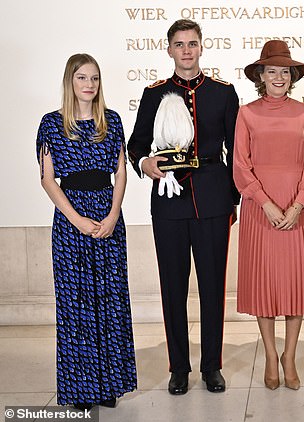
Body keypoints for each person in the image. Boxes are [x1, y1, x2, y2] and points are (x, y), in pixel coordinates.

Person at [127, 19, 240, 395]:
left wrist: (233, 200)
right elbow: (136, 144)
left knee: (212, 286)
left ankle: (211, 366)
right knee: (173, 287)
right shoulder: (153, 93)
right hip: (169, 202)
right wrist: (145, 164)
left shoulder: (223, 93)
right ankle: (179, 367)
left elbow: (237, 151)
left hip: (211, 199)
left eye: (192, 43)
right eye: (179, 44)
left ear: (202, 47)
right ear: (169, 49)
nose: (186, 50)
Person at [37, 53, 137, 409]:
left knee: (110, 301)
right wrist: (77, 219)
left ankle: (109, 385)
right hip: (70, 221)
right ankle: (81, 389)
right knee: (76, 304)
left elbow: (121, 172)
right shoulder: (51, 124)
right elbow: (48, 179)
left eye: (94, 78)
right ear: (70, 81)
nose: (89, 84)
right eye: (82, 78)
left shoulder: (111, 120)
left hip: (108, 216)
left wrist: (113, 215)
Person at [233, 40, 304, 391]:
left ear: (292, 76)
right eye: (272, 70)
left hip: (297, 207)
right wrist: (265, 203)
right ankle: (270, 355)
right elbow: (241, 165)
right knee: (264, 283)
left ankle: (290, 355)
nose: (279, 76)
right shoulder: (247, 113)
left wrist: (299, 202)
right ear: (261, 75)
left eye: (285, 71)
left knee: (294, 284)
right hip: (260, 209)